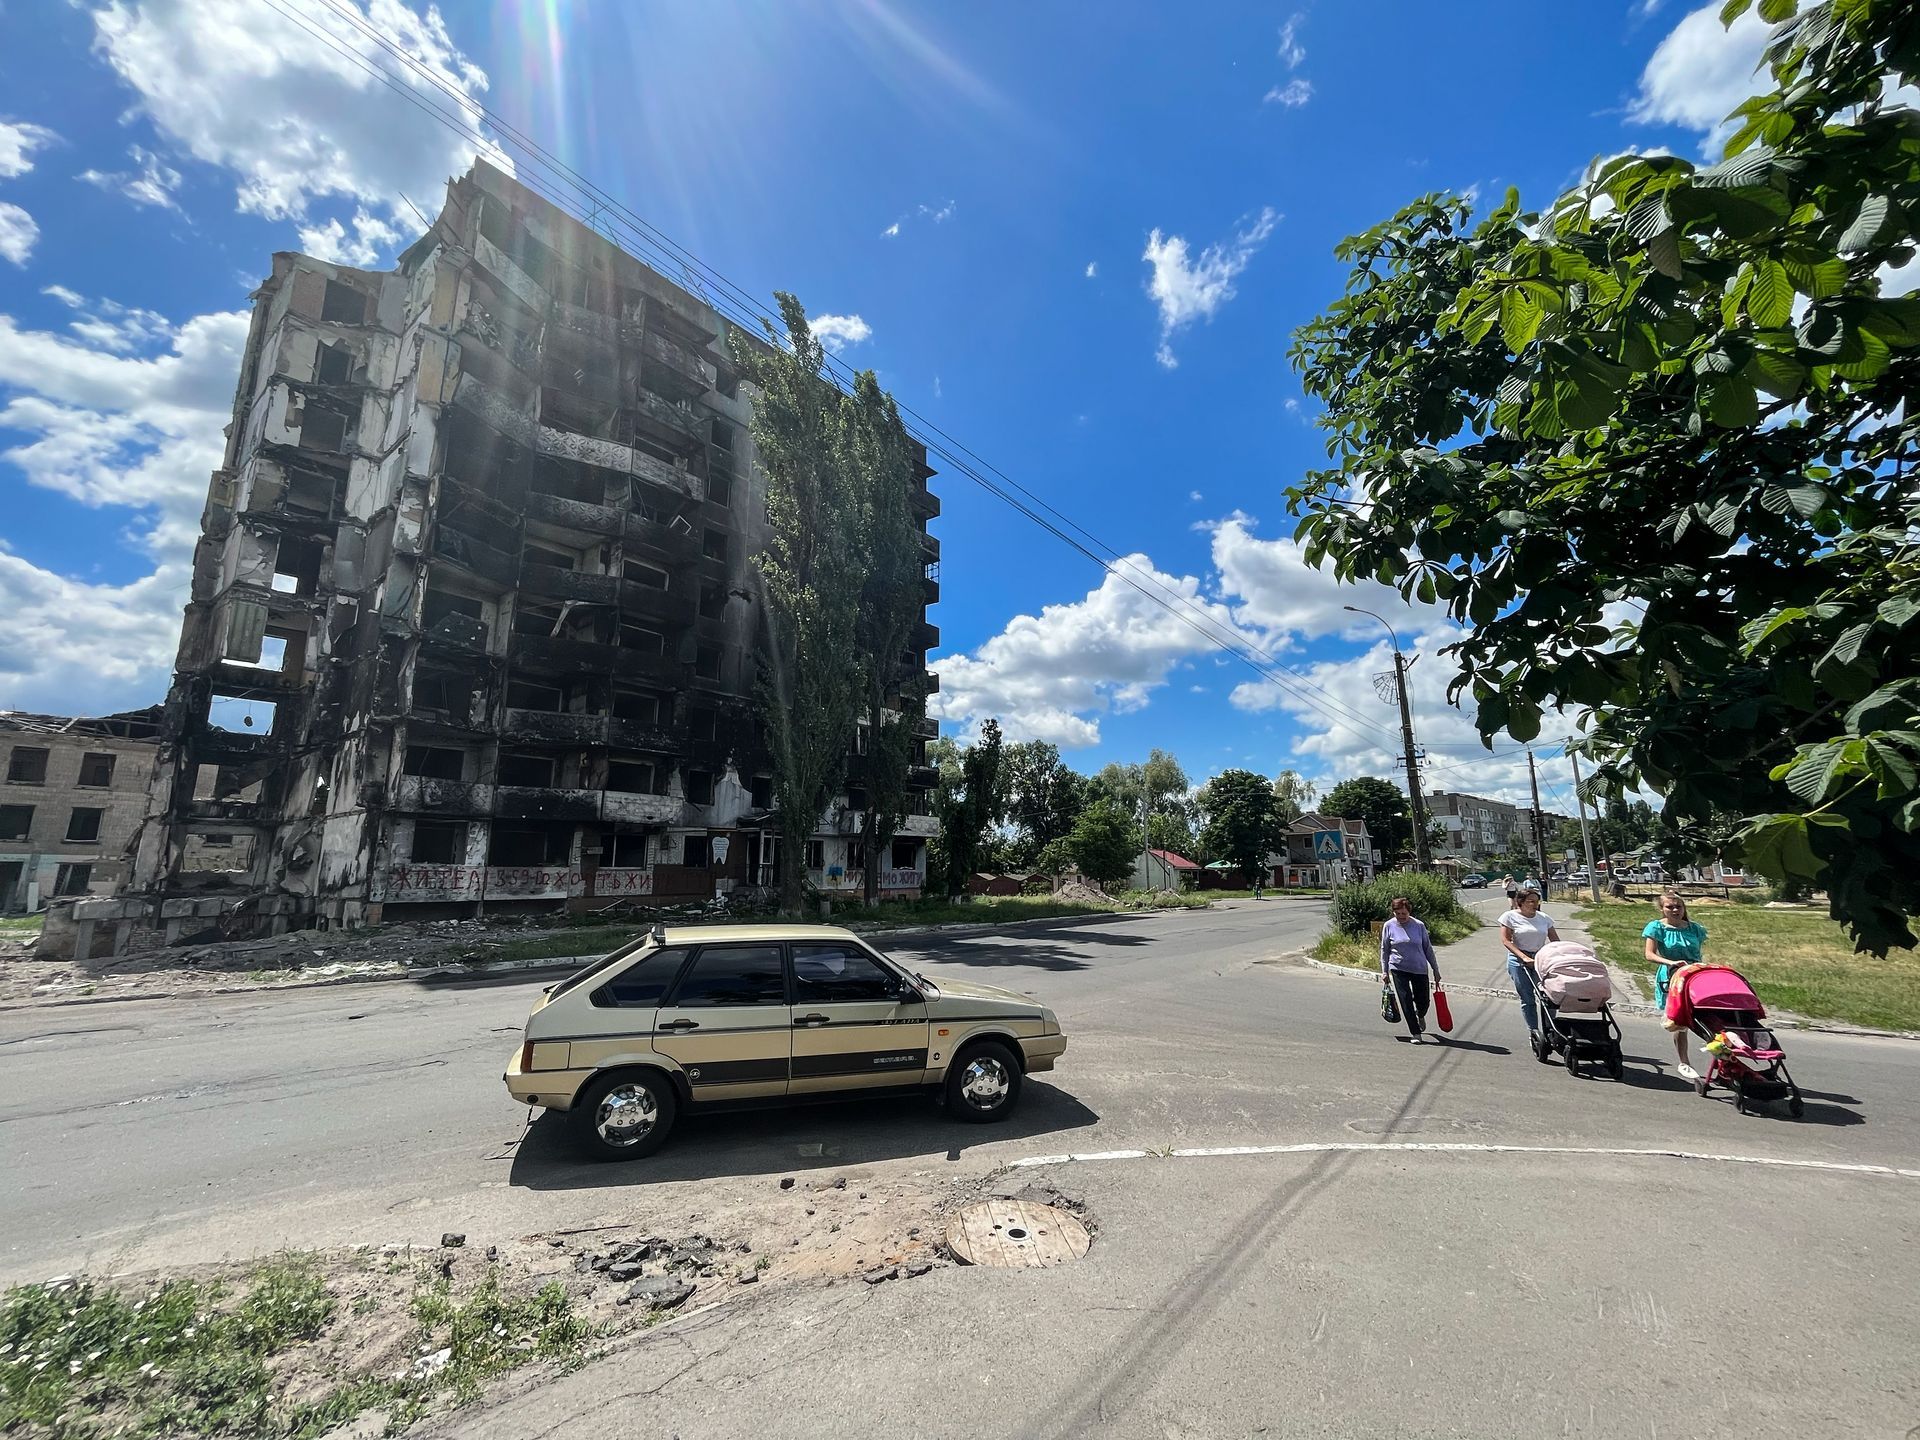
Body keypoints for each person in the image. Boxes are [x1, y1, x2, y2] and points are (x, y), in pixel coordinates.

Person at [1644, 891, 1710, 1080]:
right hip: (1672, 975)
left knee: (1708, 1015)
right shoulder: (1656, 927)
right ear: (1662, 909)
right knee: (1680, 1022)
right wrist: (1669, 962)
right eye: (1670, 907)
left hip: (1695, 974)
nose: (1675, 910)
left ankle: (1721, 1059)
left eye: (1678, 906)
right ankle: (1684, 1061)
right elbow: (1649, 954)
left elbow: (1697, 952)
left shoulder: (1694, 928)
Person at [1379, 896, 1443, 1044]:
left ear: (1409, 912)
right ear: (1393, 912)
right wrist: (1384, 971)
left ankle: (1420, 1014)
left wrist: (1436, 969)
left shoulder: (1418, 925)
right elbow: (1385, 949)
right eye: (1398, 914)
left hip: (1419, 968)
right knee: (1405, 1000)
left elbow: (1428, 948)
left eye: (1404, 914)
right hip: (1398, 967)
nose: (1401, 917)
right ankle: (1415, 1033)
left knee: (1423, 1001)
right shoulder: (1389, 926)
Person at [1498, 887, 1560, 1039]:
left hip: (1541, 959)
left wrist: (1560, 955)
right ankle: (1534, 1032)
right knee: (1528, 998)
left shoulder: (1544, 918)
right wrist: (1523, 957)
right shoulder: (1510, 916)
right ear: (1520, 902)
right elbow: (1506, 940)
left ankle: (1550, 1029)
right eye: (1530, 901)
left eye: (1537, 901)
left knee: (1548, 996)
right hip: (1518, 960)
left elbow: (1555, 941)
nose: (1534, 904)